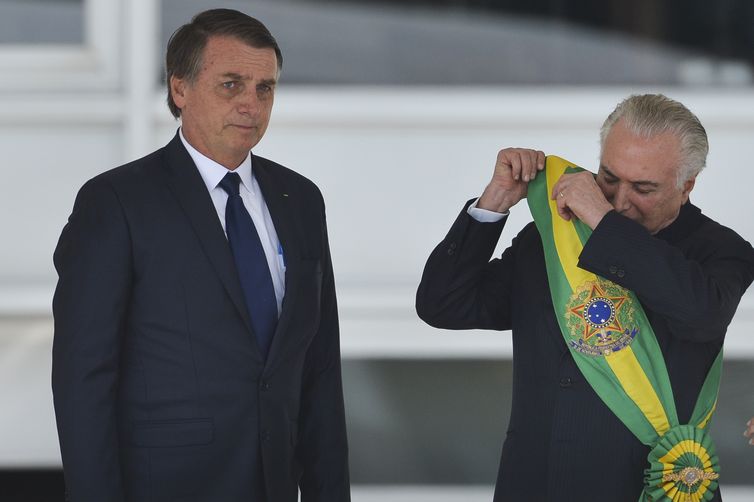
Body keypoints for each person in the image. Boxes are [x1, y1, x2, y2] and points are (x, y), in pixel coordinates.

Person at [52, 9, 349, 502]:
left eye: (265, 88)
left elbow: (319, 369)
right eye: (231, 84)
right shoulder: (117, 203)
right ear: (180, 90)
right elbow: (83, 380)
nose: (251, 104)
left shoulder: (301, 199)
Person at [416, 94, 754, 501]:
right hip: (535, 482)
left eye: (643, 188)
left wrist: (603, 222)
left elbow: (701, 315)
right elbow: (444, 304)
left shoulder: (721, 250)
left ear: (687, 187)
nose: (619, 200)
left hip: (645, 489)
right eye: (609, 177)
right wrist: (494, 203)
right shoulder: (559, 232)